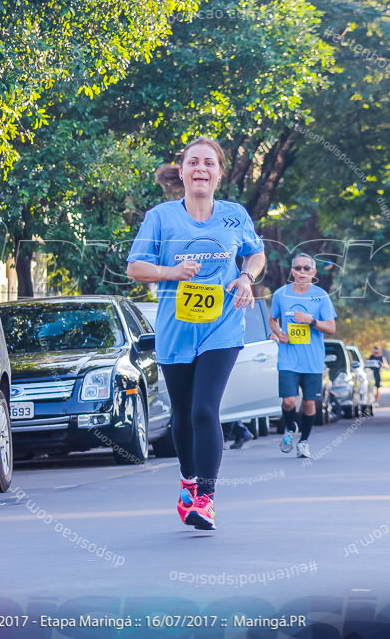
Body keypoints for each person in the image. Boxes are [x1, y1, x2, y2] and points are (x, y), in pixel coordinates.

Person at [126, 136, 266, 531]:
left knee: (206, 409)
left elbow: (256, 253)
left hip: (223, 326)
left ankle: (205, 498)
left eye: (209, 163)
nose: (201, 168)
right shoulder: (161, 217)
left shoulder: (235, 215)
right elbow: (136, 267)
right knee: (183, 417)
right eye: (193, 162)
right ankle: (187, 480)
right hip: (176, 330)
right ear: (183, 171)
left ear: (219, 173)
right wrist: (172, 272)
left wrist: (244, 277)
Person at [269, 253, 338, 459]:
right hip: (288, 358)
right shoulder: (281, 295)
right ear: (292, 271)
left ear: (313, 272)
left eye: (307, 268)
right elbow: (273, 319)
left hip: (313, 361)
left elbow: (331, 328)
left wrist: (311, 321)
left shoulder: (321, 296)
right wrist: (278, 332)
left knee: (309, 403)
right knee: (289, 401)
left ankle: (304, 442)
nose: (302, 272)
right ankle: (290, 426)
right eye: (298, 268)